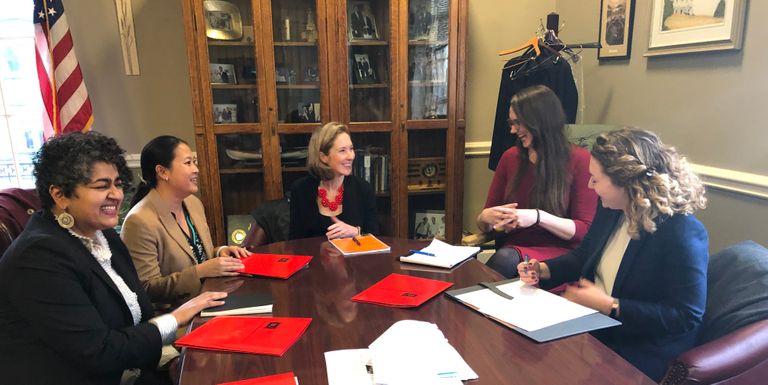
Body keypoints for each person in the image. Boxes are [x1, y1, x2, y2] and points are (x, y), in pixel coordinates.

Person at [0, 132, 227, 384]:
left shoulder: (103, 235)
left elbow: (137, 318)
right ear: (60, 195)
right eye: (101, 186)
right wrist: (176, 320)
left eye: (118, 184)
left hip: (133, 368)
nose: (116, 195)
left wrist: (174, 348)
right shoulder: (38, 257)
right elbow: (99, 352)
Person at [517, 128, 708, 381]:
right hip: (600, 328)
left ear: (627, 182)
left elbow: (686, 315)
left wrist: (611, 305)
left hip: (642, 347)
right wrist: (542, 269)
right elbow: (585, 256)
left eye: (596, 179)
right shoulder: (612, 208)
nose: (589, 185)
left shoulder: (681, 230)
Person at [477, 85, 598, 277]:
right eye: (511, 122)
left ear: (539, 121)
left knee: (504, 260)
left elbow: (584, 230)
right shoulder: (510, 158)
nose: (512, 130)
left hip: (559, 255)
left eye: (518, 123)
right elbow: (489, 221)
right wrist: (484, 218)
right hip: (513, 250)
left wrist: (538, 217)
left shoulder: (580, 160)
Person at [121, 135, 247, 312]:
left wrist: (220, 252)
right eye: (188, 163)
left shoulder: (193, 203)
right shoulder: (139, 221)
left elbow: (195, 253)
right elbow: (147, 289)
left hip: (212, 298)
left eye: (194, 162)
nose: (196, 169)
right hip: (176, 315)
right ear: (162, 172)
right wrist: (201, 271)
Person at [289, 122, 379, 239]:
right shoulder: (301, 189)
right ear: (323, 157)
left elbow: (376, 237)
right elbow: (294, 241)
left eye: (351, 149)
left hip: (353, 256)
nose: (351, 156)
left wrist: (356, 231)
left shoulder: (363, 189)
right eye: (342, 150)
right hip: (315, 256)